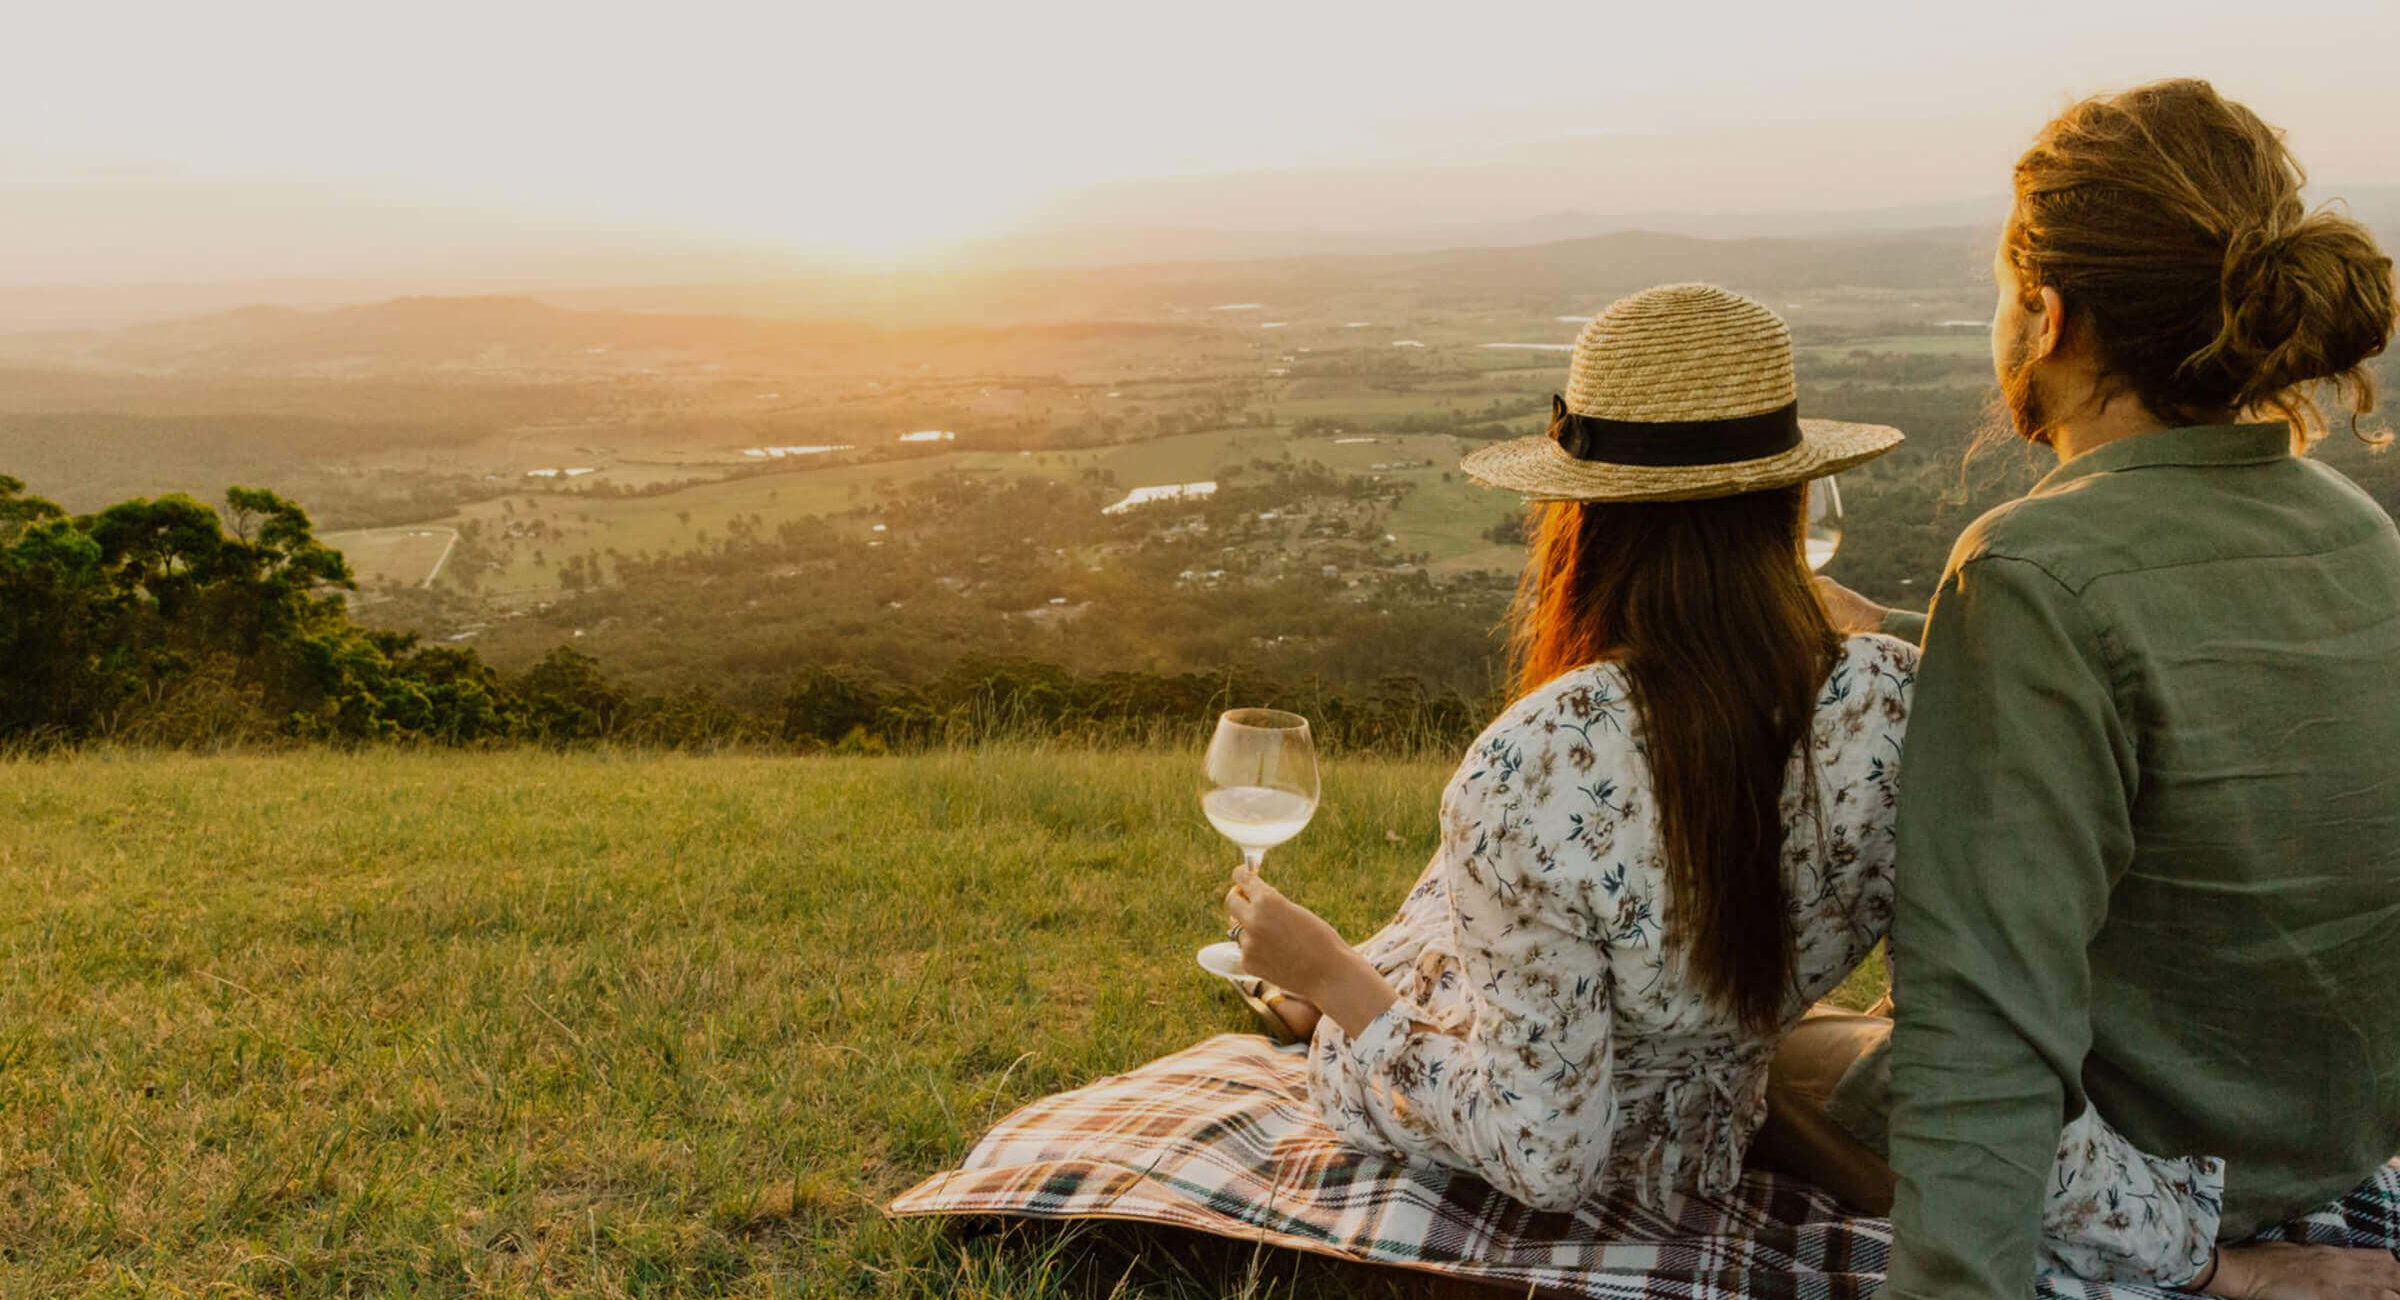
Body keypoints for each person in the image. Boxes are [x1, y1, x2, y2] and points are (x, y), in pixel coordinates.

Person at [1221, 286, 2234, 1294]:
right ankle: (1329, 987)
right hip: (1701, 1128)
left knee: (1418, 935)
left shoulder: (1528, 761)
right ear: (1789, 496)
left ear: (1587, 518)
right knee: (1461, 900)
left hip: (1549, 1102)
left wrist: (1341, 983)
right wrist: (2199, 1252)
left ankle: (1316, 994)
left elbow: (1547, 1156)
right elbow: (1972, 1052)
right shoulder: (1900, 702)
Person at [1804, 78, 2400, 1300]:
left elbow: (1983, 1024)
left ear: (2047, 311)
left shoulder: (2030, 569)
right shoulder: (2358, 530)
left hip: (2158, 1170)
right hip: (2325, 1139)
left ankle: (2219, 1272)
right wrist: (1923, 637)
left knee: (1745, 1052)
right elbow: (2204, 699)